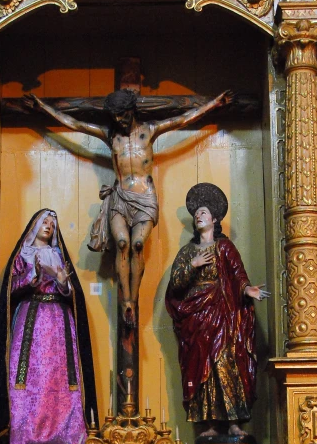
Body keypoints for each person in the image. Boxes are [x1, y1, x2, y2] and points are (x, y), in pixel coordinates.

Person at [24, 88, 233, 328]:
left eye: (123, 116)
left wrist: (214, 103)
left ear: (131, 111)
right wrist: (43, 107)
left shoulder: (149, 131)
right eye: (115, 118)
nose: (120, 122)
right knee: (122, 243)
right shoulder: (111, 136)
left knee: (137, 245)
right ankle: (127, 303)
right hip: (120, 197)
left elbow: (183, 119)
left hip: (145, 198)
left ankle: (134, 296)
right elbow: (75, 124)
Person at [0, 210, 98, 444]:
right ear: (34, 226)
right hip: (31, 320)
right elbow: (11, 288)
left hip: (59, 321)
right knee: (29, 376)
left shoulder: (59, 255)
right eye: (44, 222)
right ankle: (26, 433)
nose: (48, 226)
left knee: (59, 375)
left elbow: (71, 294)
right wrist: (33, 275)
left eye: (52, 224)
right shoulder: (23, 255)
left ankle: (68, 433)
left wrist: (61, 280)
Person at [165, 183, 269, 439]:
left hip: (224, 315)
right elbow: (176, 284)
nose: (199, 216)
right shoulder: (187, 252)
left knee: (227, 362)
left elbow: (237, 274)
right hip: (197, 319)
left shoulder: (225, 247)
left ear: (214, 219)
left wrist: (247, 290)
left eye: (203, 213)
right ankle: (208, 423)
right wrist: (193, 264)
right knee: (201, 367)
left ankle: (235, 421)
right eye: (196, 213)